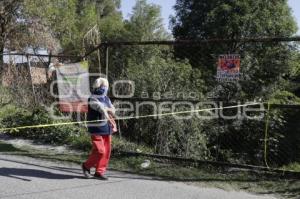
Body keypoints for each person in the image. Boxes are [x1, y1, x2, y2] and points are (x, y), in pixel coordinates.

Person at [82, 77, 117, 180]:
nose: (105, 88)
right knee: (100, 150)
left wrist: (109, 109)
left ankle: (99, 172)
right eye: (103, 86)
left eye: (106, 86)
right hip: (96, 128)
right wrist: (108, 109)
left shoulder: (106, 98)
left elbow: (113, 111)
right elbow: (100, 108)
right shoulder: (92, 98)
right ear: (98, 87)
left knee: (106, 151)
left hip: (106, 127)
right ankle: (86, 166)